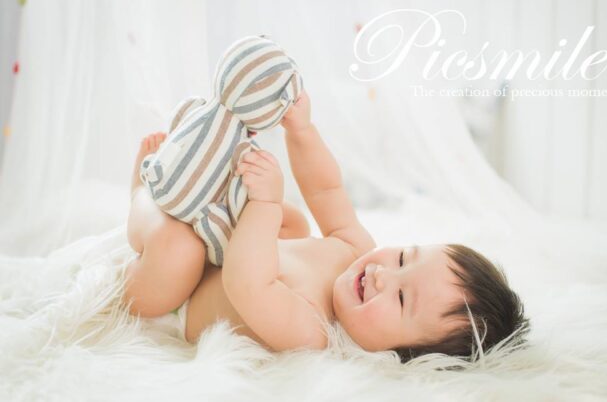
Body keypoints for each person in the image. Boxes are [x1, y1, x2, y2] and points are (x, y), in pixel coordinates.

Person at [124, 91, 528, 362]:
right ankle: (180, 182)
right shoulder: (356, 250)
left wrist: (264, 205)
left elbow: (246, 284)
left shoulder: (312, 332)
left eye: (402, 298)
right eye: (405, 257)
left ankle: (142, 195)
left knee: (181, 251)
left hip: (178, 299)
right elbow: (326, 190)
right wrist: (302, 131)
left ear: (397, 353)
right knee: (295, 221)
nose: (384, 274)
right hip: (220, 250)